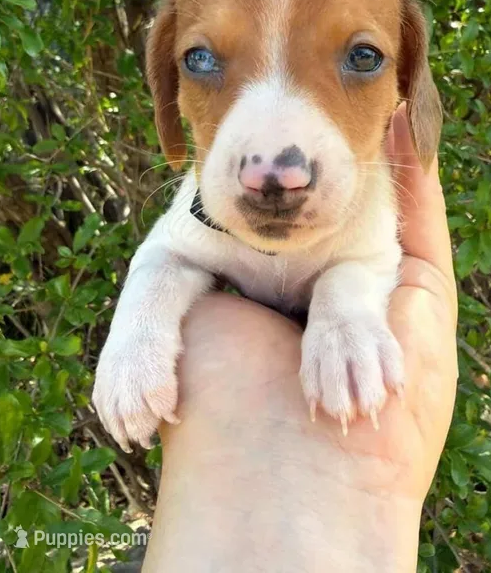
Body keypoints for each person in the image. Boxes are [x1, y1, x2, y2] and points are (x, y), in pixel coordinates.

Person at [143, 103, 458, 572]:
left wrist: (343, 303)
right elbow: (167, 253)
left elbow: (372, 259)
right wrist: (142, 329)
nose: (275, 175)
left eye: (362, 58)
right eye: (201, 59)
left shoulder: (369, 199)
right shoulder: (202, 203)